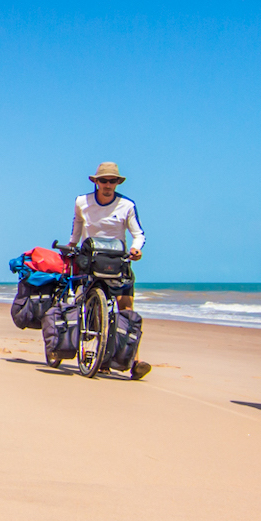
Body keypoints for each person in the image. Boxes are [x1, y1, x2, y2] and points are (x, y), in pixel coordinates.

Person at [71, 161, 149, 380]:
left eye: (112, 181)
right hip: (90, 260)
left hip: (117, 261)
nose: (107, 184)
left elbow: (139, 233)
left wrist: (136, 249)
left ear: (117, 182)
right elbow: (77, 225)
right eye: (103, 180)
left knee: (126, 308)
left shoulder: (127, 205)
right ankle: (97, 356)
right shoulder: (82, 202)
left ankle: (134, 360)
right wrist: (71, 246)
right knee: (92, 309)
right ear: (96, 182)